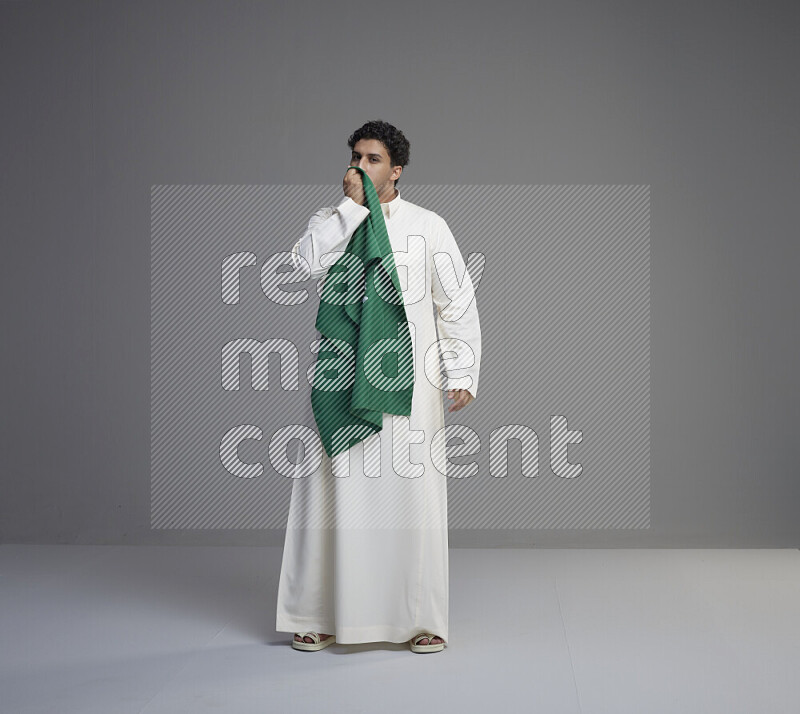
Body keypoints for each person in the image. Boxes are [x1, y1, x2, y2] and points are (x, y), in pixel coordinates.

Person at [275, 120, 482, 653]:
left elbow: (453, 301)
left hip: (406, 379)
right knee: (330, 492)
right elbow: (303, 264)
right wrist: (352, 211)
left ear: (397, 170)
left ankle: (419, 619)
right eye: (355, 157)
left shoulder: (428, 225)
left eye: (372, 159)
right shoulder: (333, 220)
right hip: (340, 375)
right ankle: (318, 615)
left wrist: (461, 371)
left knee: (410, 497)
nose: (359, 167)